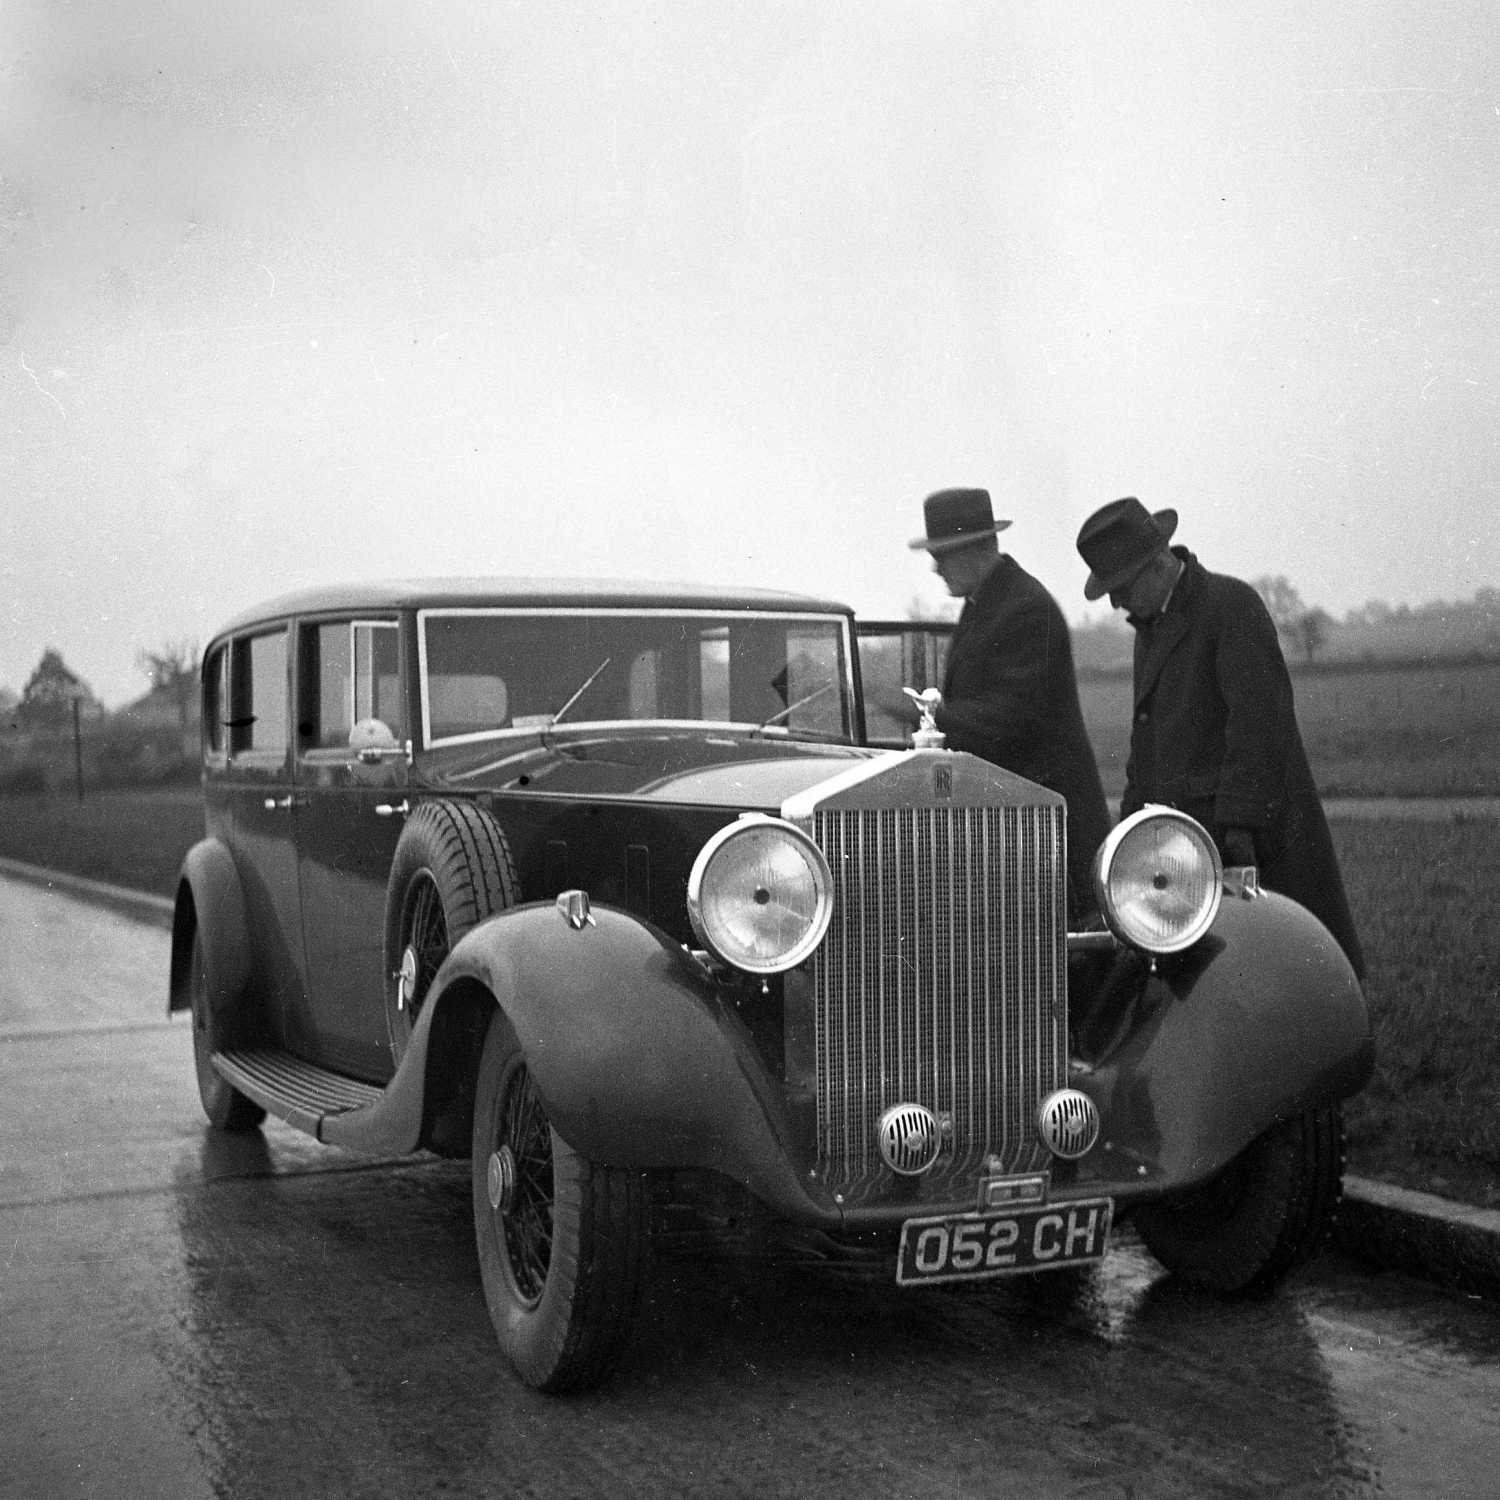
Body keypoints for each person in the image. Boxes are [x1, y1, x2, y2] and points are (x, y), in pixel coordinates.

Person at [1075, 495, 1365, 978]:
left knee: (1291, 973)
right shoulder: (1150, 630)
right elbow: (1144, 748)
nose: (1114, 602)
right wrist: (1126, 836)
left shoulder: (1231, 606)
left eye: (1119, 587)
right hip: (1187, 848)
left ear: (1155, 566)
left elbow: (1259, 725)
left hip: (1250, 841)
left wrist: (1238, 830)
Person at [908, 487, 1111, 918]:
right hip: (1019, 828)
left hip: (1048, 836)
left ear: (982, 547)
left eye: (943, 552)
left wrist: (933, 718)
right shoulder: (989, 603)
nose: (935, 566)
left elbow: (1014, 718)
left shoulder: (1024, 608)